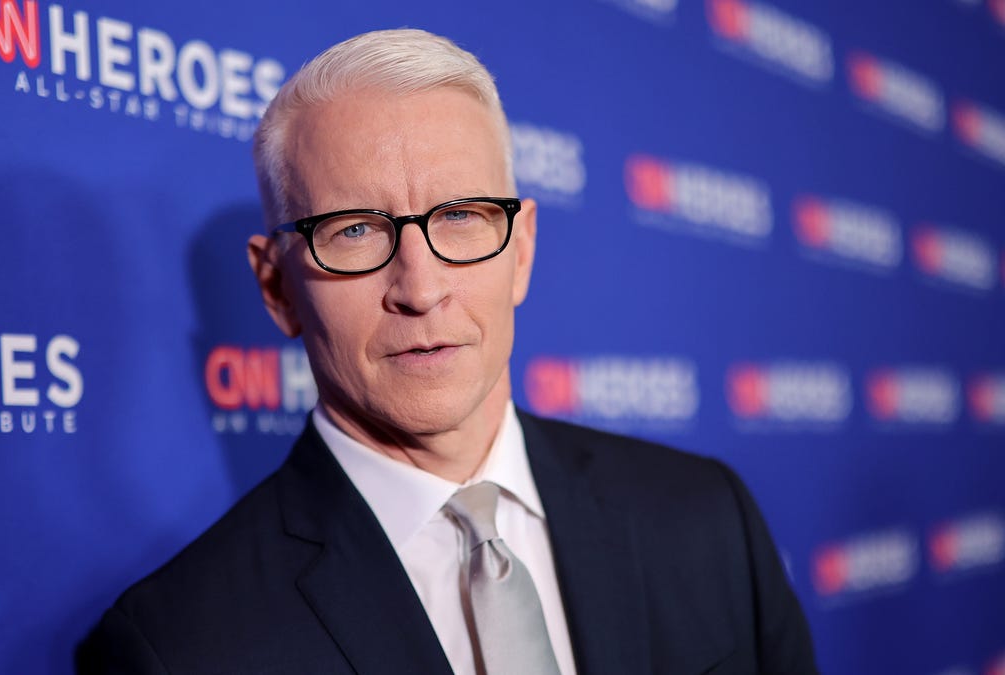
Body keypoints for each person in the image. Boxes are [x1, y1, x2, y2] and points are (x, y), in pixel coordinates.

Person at [77, 28, 818, 674]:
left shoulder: (707, 520)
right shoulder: (176, 648)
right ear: (276, 288)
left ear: (521, 250)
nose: (421, 288)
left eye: (461, 216)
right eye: (356, 231)